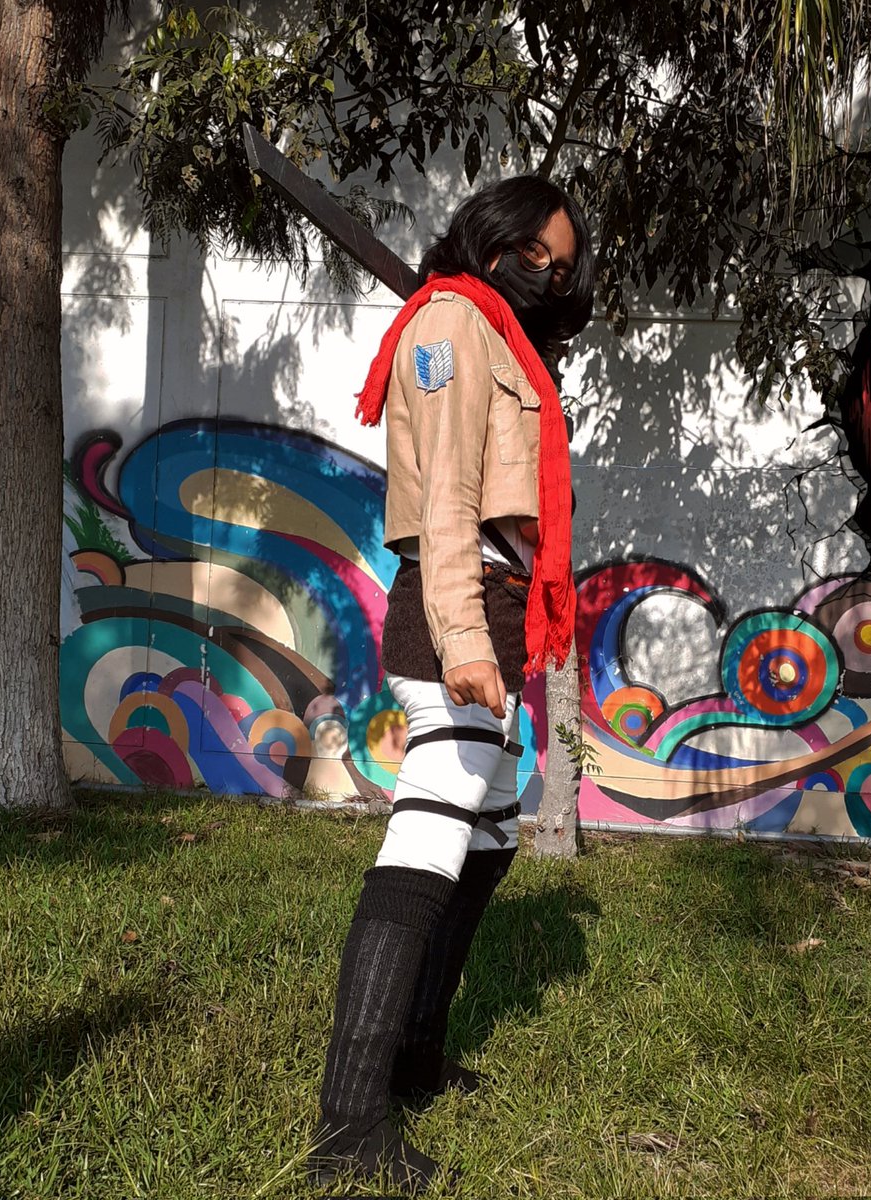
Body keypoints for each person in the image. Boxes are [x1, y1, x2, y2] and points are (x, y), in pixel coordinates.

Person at [308, 175, 596, 1195]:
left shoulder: (499, 335)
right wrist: (465, 639)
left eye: (561, 266)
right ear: (491, 237)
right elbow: (447, 499)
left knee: (489, 838)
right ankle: (348, 1126)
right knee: (428, 838)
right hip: (458, 604)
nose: (545, 274)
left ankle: (417, 1060)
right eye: (532, 252)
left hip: (501, 605)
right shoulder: (451, 323)